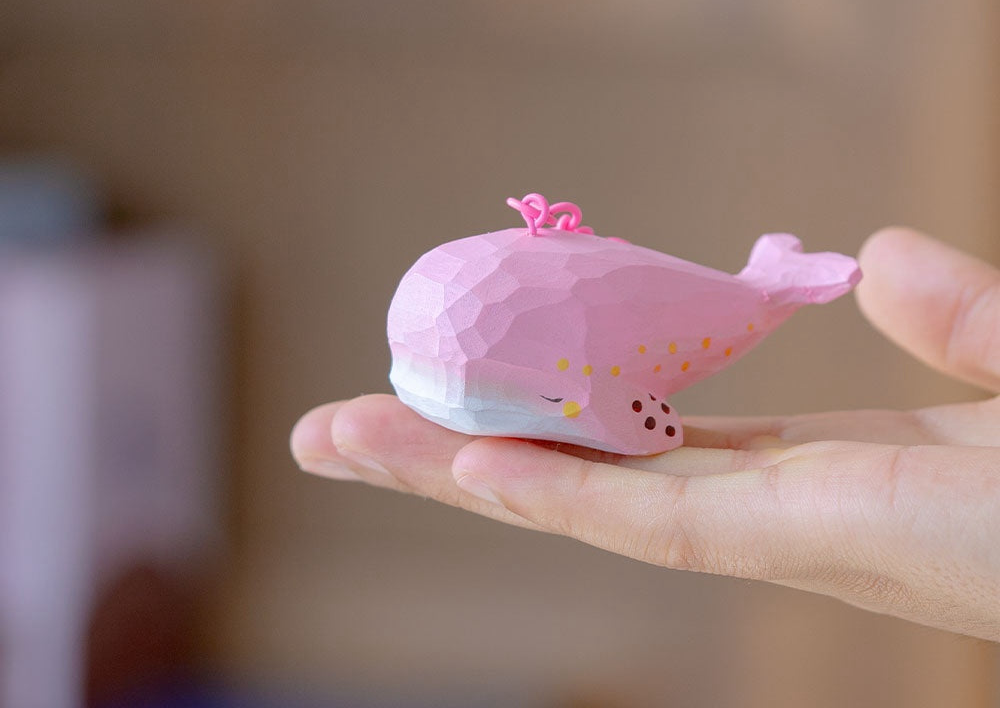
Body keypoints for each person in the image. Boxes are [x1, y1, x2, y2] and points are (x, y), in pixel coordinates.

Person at [290, 227, 1000, 641]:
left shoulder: (547, 375)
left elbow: (620, 411)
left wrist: (636, 424)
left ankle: (775, 283)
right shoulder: (474, 365)